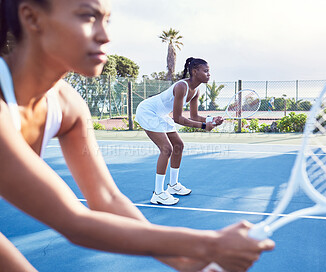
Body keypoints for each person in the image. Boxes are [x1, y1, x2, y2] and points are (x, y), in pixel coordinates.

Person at [0, 0, 275, 271]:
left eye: (107, 20)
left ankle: (170, 187)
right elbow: (73, 222)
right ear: (32, 17)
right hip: (151, 114)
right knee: (168, 148)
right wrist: (208, 245)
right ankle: (160, 191)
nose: (105, 36)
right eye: (87, 16)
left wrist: (185, 263)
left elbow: (106, 200)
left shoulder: (68, 105)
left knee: (174, 146)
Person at [135, 57, 223, 205]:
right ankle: (158, 193)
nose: (209, 74)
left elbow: (194, 116)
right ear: (195, 72)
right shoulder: (182, 86)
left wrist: (211, 120)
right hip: (147, 111)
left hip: (160, 114)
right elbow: (178, 118)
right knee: (166, 149)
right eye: (206, 71)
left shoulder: (196, 91)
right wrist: (203, 127)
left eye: (209, 71)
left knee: (178, 146)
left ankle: (173, 186)